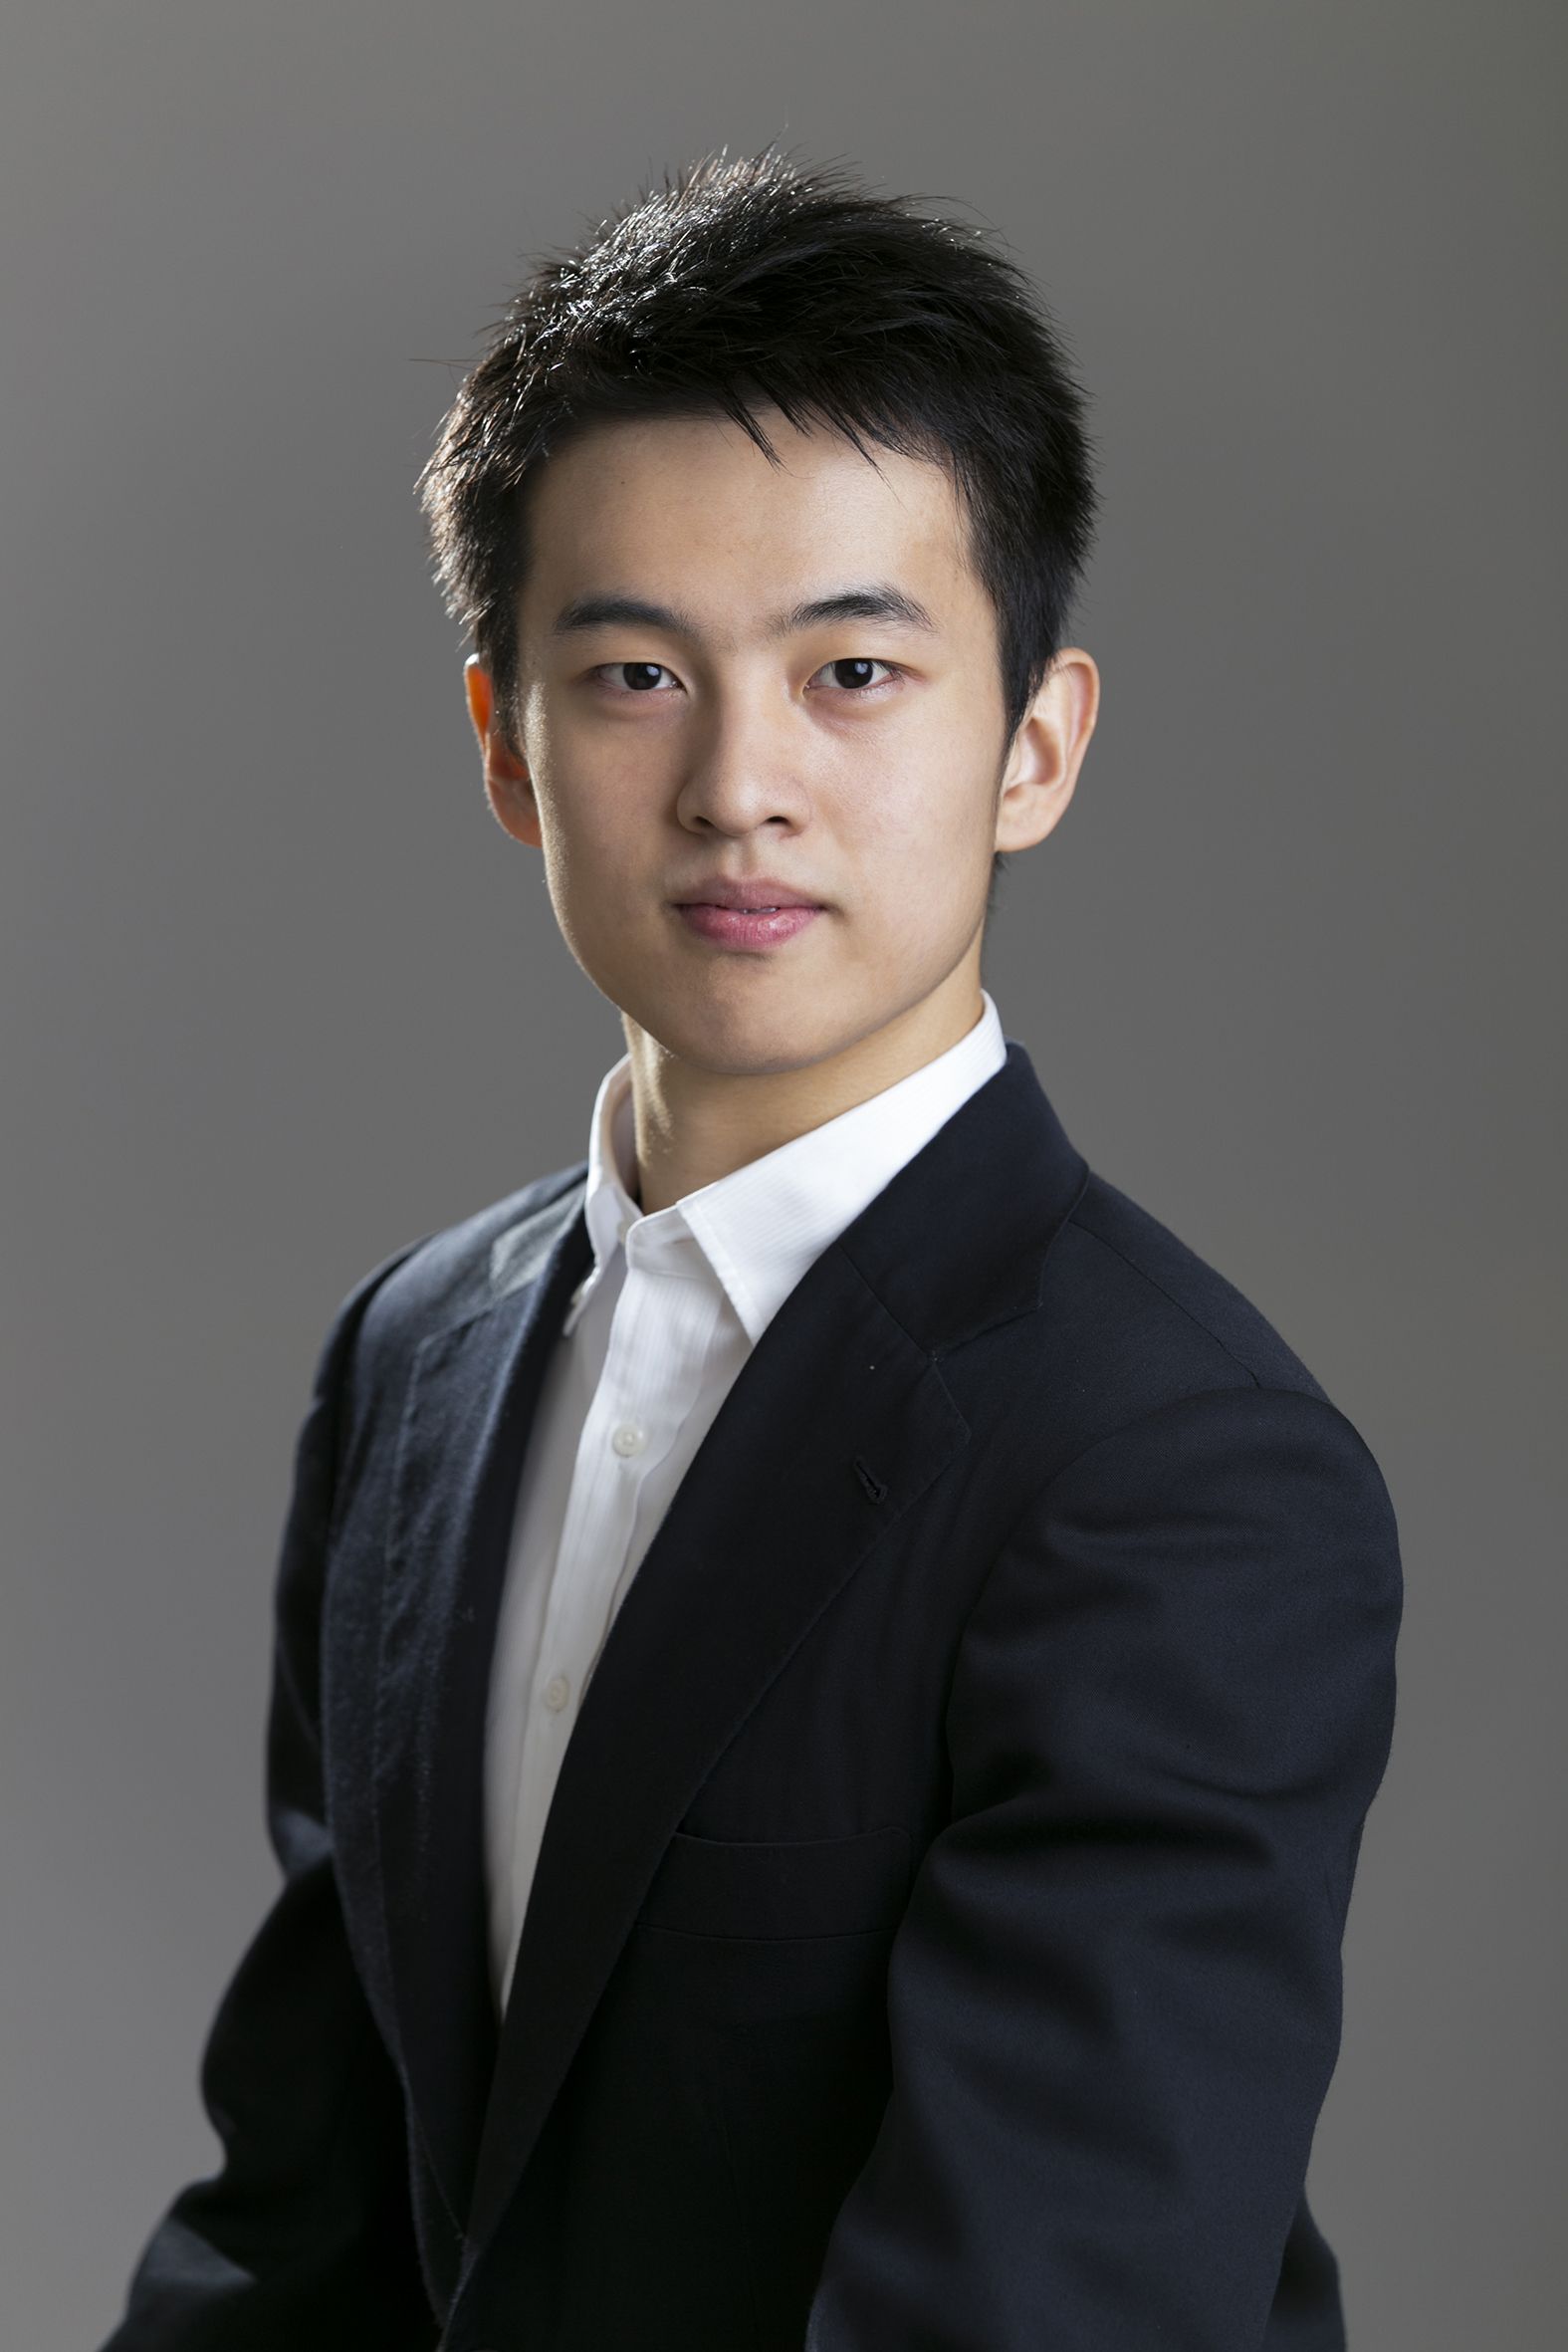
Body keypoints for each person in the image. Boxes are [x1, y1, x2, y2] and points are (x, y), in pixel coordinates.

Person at [104, 153, 1401, 2352]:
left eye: (853, 670)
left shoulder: (1178, 1464)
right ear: (506, 748)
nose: (737, 784)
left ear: (1034, 746)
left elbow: (1033, 2308)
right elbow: (303, 2220)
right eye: (634, 671)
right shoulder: (412, 1357)